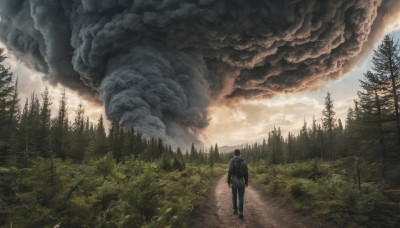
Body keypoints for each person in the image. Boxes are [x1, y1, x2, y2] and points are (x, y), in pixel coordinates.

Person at [227, 149, 248, 219]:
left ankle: (235, 210)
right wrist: (246, 182)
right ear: (240, 154)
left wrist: (229, 182)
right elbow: (246, 173)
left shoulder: (232, 161)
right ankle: (241, 212)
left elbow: (229, 172)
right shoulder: (243, 161)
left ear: (234, 154)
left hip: (234, 181)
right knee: (241, 197)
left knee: (234, 196)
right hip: (241, 181)